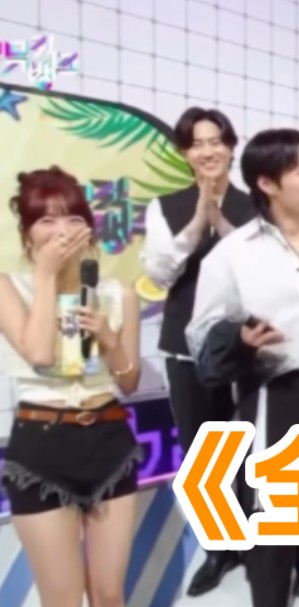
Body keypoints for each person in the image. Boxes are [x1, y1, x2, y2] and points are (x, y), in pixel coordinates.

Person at [185, 128, 299, 607]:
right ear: (267, 183)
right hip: (273, 401)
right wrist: (241, 341)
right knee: (271, 538)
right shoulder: (234, 253)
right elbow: (201, 338)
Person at [0, 167, 143, 607]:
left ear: (89, 228)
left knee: (108, 594)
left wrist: (109, 338)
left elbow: (129, 381)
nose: (62, 230)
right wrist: (47, 276)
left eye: (73, 218)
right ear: (27, 233)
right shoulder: (9, 287)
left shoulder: (118, 294)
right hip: (42, 447)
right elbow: (39, 353)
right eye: (46, 219)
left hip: (110, 440)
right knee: (62, 598)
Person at [139, 107, 253, 596]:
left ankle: (254, 540)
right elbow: (159, 273)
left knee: (250, 445)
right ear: (185, 153)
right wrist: (195, 224)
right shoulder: (165, 206)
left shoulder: (257, 203)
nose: (207, 152)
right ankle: (219, 549)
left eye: (215, 141)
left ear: (231, 146)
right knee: (204, 453)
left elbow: (265, 268)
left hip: (249, 347)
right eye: (196, 144)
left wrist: (221, 223)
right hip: (187, 347)